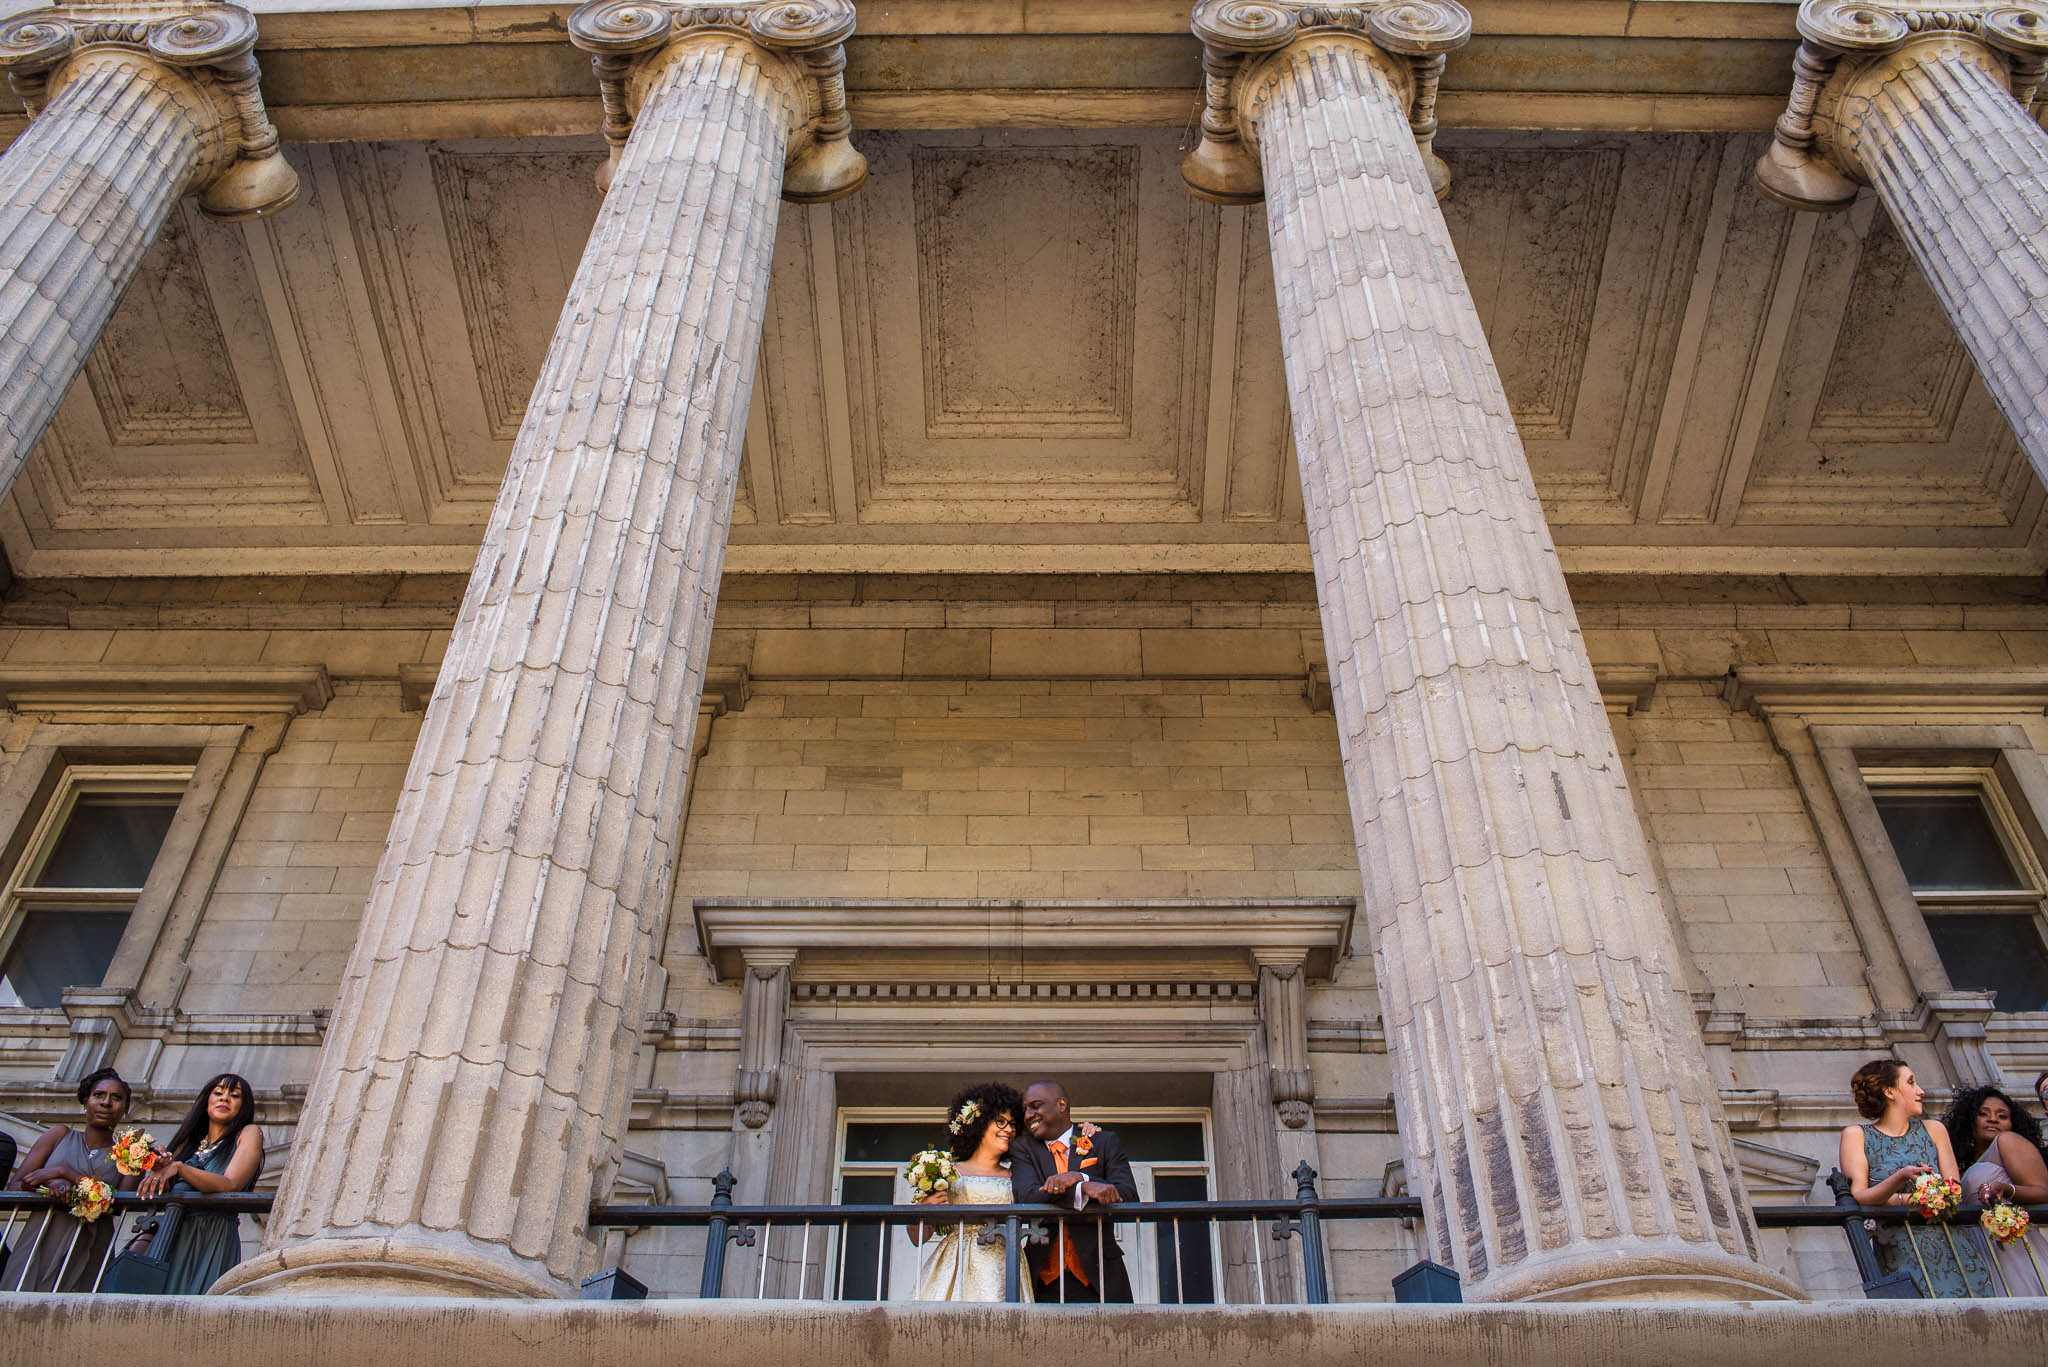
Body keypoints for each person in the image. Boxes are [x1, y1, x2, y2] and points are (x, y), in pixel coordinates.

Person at [1839, 1058, 1994, 1297]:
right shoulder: (1856, 1135)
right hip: (1899, 1248)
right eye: (1911, 1082)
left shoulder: (1934, 1129)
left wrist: (1899, 1198)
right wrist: (1901, 1178)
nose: (1920, 1091)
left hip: (1951, 1243)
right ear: (1889, 1091)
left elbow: (1955, 1191)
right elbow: (1860, 1196)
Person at [5, 1067, 136, 1291]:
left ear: (125, 1109)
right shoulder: (58, 1135)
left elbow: (121, 1204)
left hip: (91, 1242)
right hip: (43, 1235)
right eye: (99, 1095)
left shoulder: (128, 1154)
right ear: (85, 1101)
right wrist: (52, 1185)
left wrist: (65, 1173)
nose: (106, 1103)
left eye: (116, 1098)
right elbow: (17, 1185)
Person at [134, 1073, 263, 1295]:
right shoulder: (189, 1140)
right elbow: (160, 1188)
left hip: (212, 1236)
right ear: (207, 1100)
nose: (224, 1099)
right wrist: (158, 1166)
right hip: (172, 1232)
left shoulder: (249, 1133)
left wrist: (180, 1167)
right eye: (218, 1093)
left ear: (243, 1106)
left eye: (234, 1095)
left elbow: (230, 1183)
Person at [1010, 1080, 1138, 1303]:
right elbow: (1028, 1196)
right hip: (1041, 1276)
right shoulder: (1023, 1148)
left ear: (1061, 1104)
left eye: (1036, 1106)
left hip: (1101, 1274)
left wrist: (1081, 1176)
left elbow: (1128, 1194)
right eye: (1025, 1110)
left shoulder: (1103, 1141)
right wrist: (1084, 1188)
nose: (1029, 1114)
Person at [910, 1082, 1029, 1302]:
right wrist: (923, 1210)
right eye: (1000, 1121)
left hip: (1005, 1262)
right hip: (959, 1262)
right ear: (979, 1123)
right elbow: (917, 1238)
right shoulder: (948, 1171)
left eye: (1013, 1124)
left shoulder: (1019, 1174)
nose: (1009, 1130)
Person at [1942, 1084, 2048, 1296]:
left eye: (2002, 1116)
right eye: (1983, 1114)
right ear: (1970, 1122)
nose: (1993, 1119)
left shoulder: (2007, 1141)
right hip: (1982, 1253)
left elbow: (2044, 1191)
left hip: (2014, 1250)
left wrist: (2006, 1189)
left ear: (2012, 1124)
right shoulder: (1959, 1167)